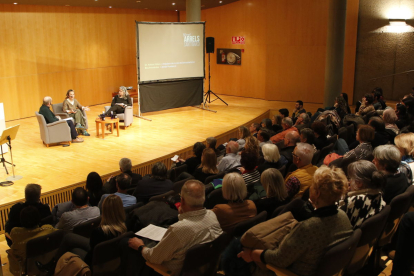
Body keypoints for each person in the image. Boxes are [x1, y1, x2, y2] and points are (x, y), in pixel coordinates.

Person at [238, 166, 353, 276]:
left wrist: (252, 254)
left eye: (312, 185)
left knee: (239, 258)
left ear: (317, 193)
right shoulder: (343, 216)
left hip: (286, 272)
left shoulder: (308, 227)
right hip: (321, 268)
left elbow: (278, 259)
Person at [127, 180, 223, 275]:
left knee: (128, 245)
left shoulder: (178, 229)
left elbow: (153, 258)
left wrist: (140, 246)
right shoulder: (212, 215)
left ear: (182, 201)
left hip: (168, 272)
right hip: (201, 269)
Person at [36, 195, 127, 273]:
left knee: (72, 249)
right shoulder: (126, 225)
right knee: (69, 238)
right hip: (111, 255)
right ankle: (52, 265)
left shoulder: (99, 232)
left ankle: (52, 267)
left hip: (96, 261)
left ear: (105, 210)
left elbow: (92, 253)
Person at [9, 206, 56, 276]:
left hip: (26, 266)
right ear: (38, 219)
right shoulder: (48, 229)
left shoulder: (15, 232)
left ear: (21, 220)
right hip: (46, 261)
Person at [340, 160, 386, 229]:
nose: (349, 182)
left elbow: (336, 220)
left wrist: (342, 194)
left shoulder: (355, 200)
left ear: (359, 183)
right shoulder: (378, 193)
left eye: (350, 178)